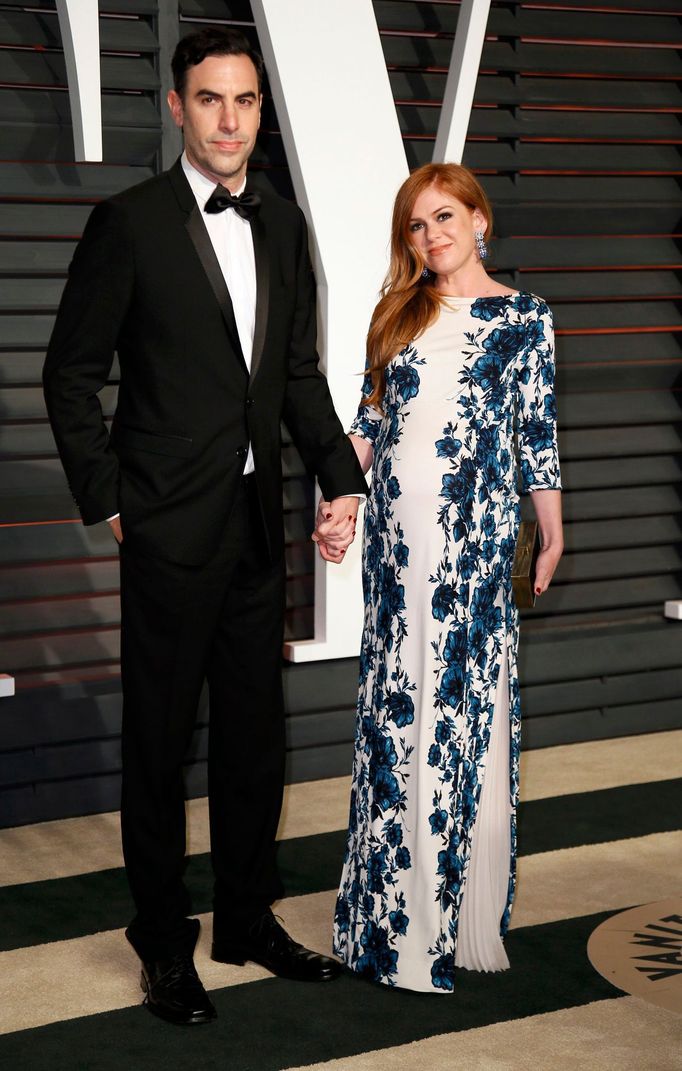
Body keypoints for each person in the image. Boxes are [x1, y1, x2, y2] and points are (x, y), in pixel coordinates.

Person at [43, 27, 366, 1025]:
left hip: (252, 523)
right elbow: (69, 376)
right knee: (159, 743)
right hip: (165, 526)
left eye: (246, 101)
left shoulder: (280, 221)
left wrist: (339, 477)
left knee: (254, 739)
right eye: (211, 100)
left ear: (261, 112)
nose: (231, 119)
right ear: (177, 108)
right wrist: (111, 501)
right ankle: (162, 939)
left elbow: (297, 375)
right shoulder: (128, 222)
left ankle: (246, 917)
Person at [326, 163, 563, 992]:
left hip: (471, 545)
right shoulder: (398, 313)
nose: (431, 236)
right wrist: (339, 501)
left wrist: (552, 529)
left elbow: (537, 434)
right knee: (397, 708)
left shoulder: (525, 320)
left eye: (444, 217)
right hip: (396, 551)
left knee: (458, 709)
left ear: (479, 218)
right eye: (416, 227)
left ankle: (447, 924)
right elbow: (369, 422)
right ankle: (380, 926)